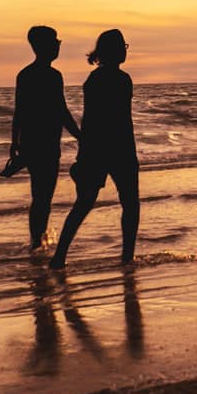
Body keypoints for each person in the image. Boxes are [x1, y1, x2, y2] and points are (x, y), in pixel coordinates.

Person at [50, 29, 140, 269]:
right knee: (129, 204)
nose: (124, 50)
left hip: (98, 149)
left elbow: (91, 121)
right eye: (122, 46)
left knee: (85, 203)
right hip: (117, 149)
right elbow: (118, 120)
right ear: (112, 51)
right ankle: (127, 257)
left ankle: (59, 257)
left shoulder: (95, 80)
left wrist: (84, 151)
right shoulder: (120, 80)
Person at [10, 25, 82, 250]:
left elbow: (19, 112)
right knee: (43, 196)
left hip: (34, 143)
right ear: (42, 46)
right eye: (55, 41)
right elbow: (61, 111)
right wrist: (80, 136)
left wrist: (15, 143)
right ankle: (37, 241)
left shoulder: (25, 75)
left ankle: (37, 240)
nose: (58, 45)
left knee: (40, 195)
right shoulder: (51, 76)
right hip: (45, 144)